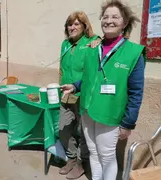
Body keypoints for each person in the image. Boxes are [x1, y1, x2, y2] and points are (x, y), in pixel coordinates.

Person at [61, 1, 145, 179]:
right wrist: (75, 86)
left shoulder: (133, 53)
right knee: (93, 152)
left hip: (110, 113)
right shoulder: (93, 50)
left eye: (115, 17)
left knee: (106, 156)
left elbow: (136, 92)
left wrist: (128, 123)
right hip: (88, 111)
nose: (109, 21)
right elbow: (90, 78)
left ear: (124, 23)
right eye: (105, 17)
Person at [58, 11, 100, 179]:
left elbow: (97, 67)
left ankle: (82, 163)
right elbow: (61, 68)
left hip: (84, 94)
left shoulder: (93, 41)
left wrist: (99, 42)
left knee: (84, 132)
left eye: (76, 24)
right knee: (63, 129)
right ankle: (71, 158)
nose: (72, 27)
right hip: (66, 93)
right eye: (70, 24)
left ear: (84, 26)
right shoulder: (65, 44)